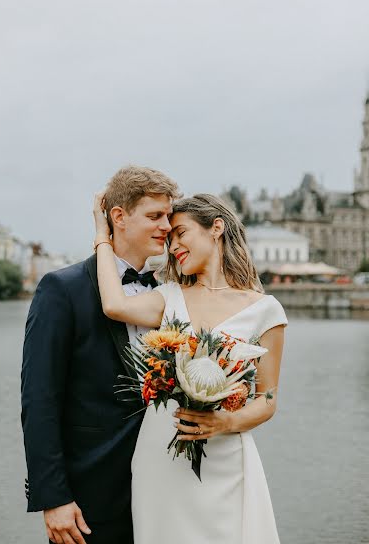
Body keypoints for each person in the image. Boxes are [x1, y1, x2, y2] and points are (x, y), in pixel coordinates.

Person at [93, 192, 288, 544]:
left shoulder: (266, 311)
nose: (173, 246)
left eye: (180, 233)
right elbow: (114, 304)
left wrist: (224, 421)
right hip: (160, 459)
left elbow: (268, 398)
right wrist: (101, 234)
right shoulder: (169, 296)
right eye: (169, 240)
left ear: (216, 228)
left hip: (226, 460)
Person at [21, 165, 180, 544]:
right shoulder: (62, 289)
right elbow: (39, 399)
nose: (168, 226)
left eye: (170, 216)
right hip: (89, 495)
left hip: (163, 491)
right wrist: (54, 497)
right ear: (119, 217)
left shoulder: (170, 296)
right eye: (155, 215)